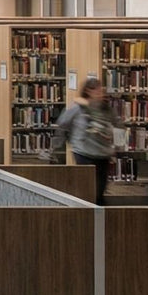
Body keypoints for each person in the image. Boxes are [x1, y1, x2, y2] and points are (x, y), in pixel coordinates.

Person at [54, 77, 123, 205]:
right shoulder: (77, 108)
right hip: (83, 151)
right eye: (97, 92)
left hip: (103, 153)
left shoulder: (107, 109)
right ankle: (86, 211)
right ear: (88, 91)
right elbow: (63, 123)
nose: (100, 95)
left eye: (101, 91)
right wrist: (59, 147)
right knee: (86, 186)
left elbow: (119, 125)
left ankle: (99, 213)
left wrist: (118, 147)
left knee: (100, 188)